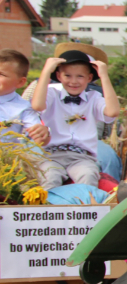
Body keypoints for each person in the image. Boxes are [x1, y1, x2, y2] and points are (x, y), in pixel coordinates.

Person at [32, 49, 120, 189]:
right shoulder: (52, 94)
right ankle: (49, 210)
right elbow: (37, 105)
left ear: (89, 78)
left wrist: (104, 76)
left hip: (82, 157)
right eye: (67, 75)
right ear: (59, 76)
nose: (73, 81)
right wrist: (46, 72)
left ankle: (84, 210)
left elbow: (113, 111)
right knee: (50, 176)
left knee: (88, 175)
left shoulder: (94, 98)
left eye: (80, 76)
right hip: (52, 155)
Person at [0, 49, 49, 146]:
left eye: (1, 74)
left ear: (20, 82)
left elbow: (40, 140)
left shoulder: (24, 108)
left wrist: (43, 134)